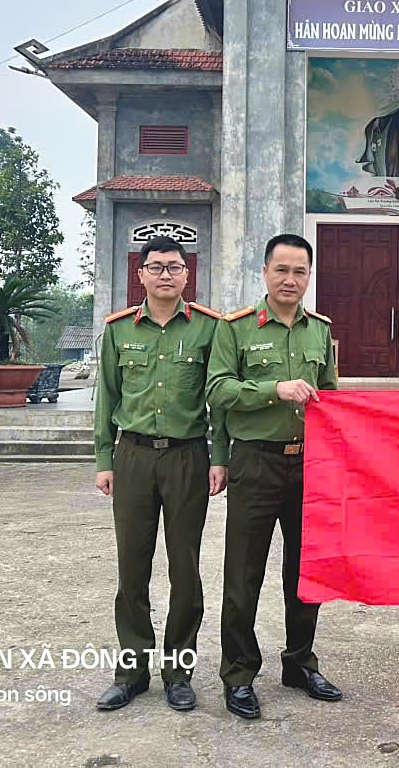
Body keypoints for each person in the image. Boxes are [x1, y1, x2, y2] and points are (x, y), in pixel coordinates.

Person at [207, 233, 342, 720]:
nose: (290, 279)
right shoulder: (236, 328)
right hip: (255, 462)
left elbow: (331, 398)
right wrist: (274, 389)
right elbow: (218, 390)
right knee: (244, 573)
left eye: (299, 271)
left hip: (309, 464)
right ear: (264, 272)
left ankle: (300, 663)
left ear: (309, 276)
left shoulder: (319, 331)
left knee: (306, 572)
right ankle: (239, 673)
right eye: (281, 270)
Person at [92, 235, 227, 714]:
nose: (165, 274)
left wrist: (219, 456)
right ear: (141, 274)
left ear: (187, 274)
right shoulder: (118, 330)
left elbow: (218, 399)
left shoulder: (210, 329)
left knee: (185, 570)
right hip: (133, 457)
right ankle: (131, 672)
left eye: (174, 266)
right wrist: (104, 459)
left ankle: (178, 672)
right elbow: (107, 398)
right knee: (132, 568)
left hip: (187, 457)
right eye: (156, 267)